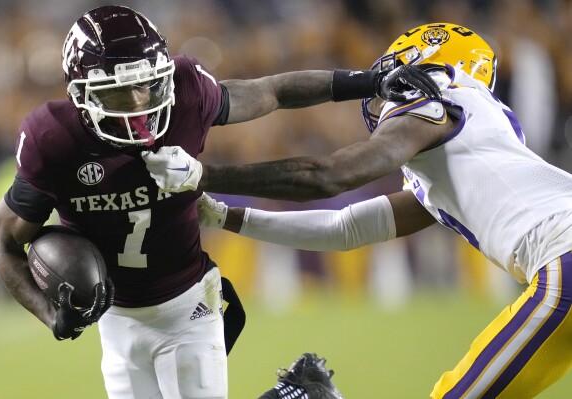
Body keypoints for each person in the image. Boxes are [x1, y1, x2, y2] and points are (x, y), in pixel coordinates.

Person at [0, 5, 440, 399]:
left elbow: (274, 91)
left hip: (189, 305)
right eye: (119, 91)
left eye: (147, 85)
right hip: (116, 318)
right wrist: (50, 315)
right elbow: (2, 243)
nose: (140, 103)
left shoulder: (186, 93)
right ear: (81, 95)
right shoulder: (53, 140)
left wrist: (367, 82)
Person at [157, 22, 572, 398]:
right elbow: (346, 228)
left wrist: (202, 175)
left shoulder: (440, 99)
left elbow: (329, 176)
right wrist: (227, 215)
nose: (384, 87)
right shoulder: (472, 144)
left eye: (397, 70)